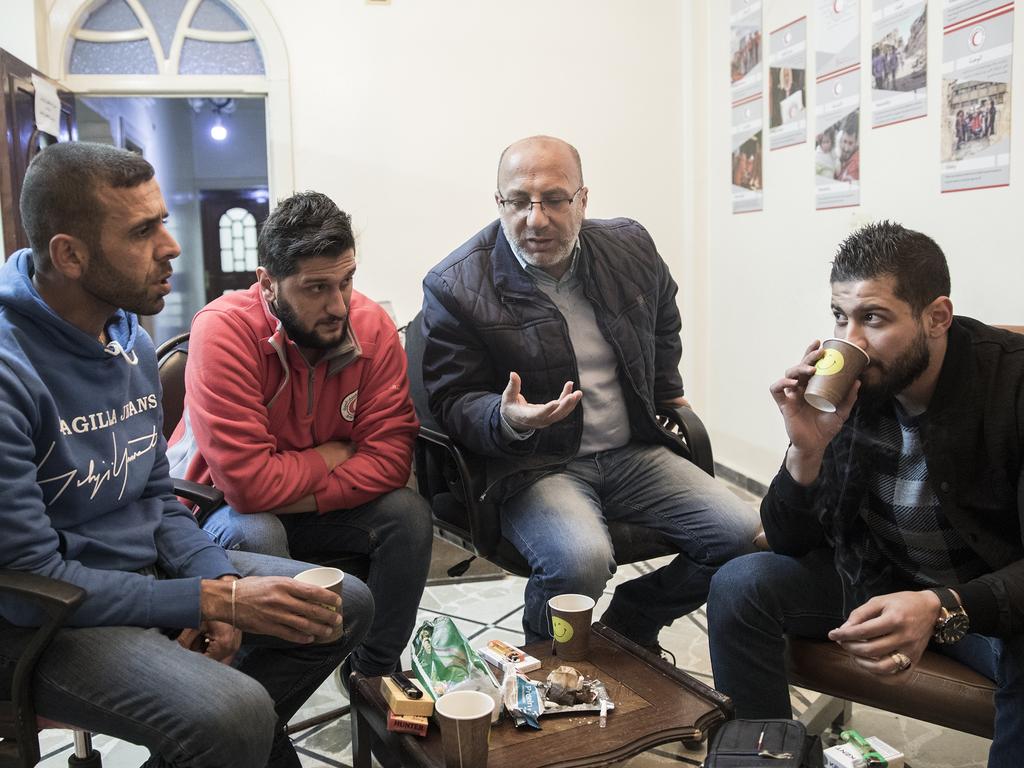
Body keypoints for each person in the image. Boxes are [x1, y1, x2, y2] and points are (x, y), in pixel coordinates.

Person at [0, 142, 372, 768]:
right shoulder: (10, 372)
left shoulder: (127, 339)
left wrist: (218, 580)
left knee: (341, 606)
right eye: (143, 231)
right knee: (236, 713)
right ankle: (229, 732)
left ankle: (212, 743)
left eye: (162, 221)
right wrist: (207, 601)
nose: (170, 245)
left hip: (143, 578)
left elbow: (155, 498)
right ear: (69, 254)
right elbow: (29, 588)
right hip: (44, 626)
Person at [421, 135, 759, 648]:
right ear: (499, 204)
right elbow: (452, 400)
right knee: (580, 563)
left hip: (634, 453)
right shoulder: (456, 284)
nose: (536, 219)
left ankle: (634, 617)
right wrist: (508, 417)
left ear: (583, 199)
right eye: (518, 201)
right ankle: (545, 659)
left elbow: (664, 313)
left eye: (555, 199)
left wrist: (667, 390)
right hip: (537, 465)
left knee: (745, 538)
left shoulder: (630, 247)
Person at [707, 222, 1024, 768]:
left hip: (984, 605)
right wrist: (805, 451)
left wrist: (943, 606)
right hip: (881, 579)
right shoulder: (858, 387)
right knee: (741, 585)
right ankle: (765, 761)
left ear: (937, 318)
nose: (849, 340)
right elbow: (789, 540)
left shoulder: (1011, 386)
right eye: (839, 315)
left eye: (872, 318)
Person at [168, 191, 432, 679]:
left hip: (287, 501)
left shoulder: (372, 328)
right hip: (212, 510)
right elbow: (245, 488)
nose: (338, 305)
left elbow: (392, 459)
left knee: (408, 514)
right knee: (258, 527)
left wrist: (286, 485)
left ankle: (374, 676)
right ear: (268, 284)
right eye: (316, 288)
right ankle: (258, 693)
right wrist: (330, 456)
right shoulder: (223, 330)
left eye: (346, 281)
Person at [835, 115, 859, 183]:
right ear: (841, 138)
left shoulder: (855, 164)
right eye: (845, 141)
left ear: (857, 142)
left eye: (850, 143)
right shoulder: (838, 156)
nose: (846, 148)